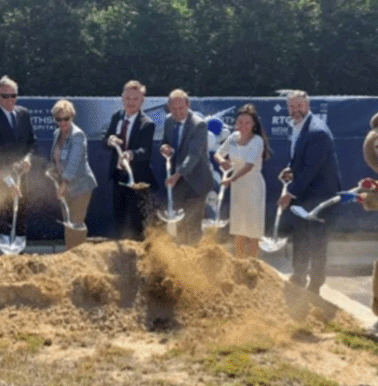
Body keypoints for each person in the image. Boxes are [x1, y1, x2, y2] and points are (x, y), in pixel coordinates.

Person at [277, 90, 341, 293]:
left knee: (317, 241)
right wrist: (290, 169)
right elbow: (301, 161)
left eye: (299, 106)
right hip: (305, 194)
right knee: (301, 236)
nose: (295, 110)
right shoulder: (300, 127)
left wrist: (290, 193)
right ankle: (298, 275)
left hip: (320, 196)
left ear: (308, 106)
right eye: (292, 107)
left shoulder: (317, 132)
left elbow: (311, 170)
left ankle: (315, 284)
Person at [0, 75, 37, 256]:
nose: (10, 100)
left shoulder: (23, 114)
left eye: (13, 95)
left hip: (21, 179)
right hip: (0, 182)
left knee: (19, 218)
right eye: (5, 96)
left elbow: (31, 143)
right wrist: (9, 182)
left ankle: (16, 263)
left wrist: (28, 159)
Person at [214, 104, 271, 258]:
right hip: (237, 187)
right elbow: (218, 153)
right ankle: (239, 264)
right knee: (238, 228)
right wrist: (222, 162)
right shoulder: (232, 138)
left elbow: (249, 165)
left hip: (253, 186)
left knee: (253, 229)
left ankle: (252, 266)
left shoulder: (257, 140)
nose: (243, 126)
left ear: (253, 125)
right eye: (240, 122)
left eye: (247, 123)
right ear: (236, 123)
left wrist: (230, 179)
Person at [159, 89, 214, 244]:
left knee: (193, 225)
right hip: (179, 184)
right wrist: (164, 147)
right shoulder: (169, 121)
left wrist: (177, 174)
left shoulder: (199, 125)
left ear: (188, 105)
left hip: (197, 182)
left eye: (181, 108)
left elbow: (194, 155)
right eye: (174, 109)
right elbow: (165, 141)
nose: (178, 112)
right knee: (180, 225)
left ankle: (195, 261)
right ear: (169, 108)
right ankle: (182, 259)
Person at [103, 80, 155, 240]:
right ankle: (121, 256)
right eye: (128, 98)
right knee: (119, 218)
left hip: (137, 181)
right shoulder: (116, 116)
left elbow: (145, 152)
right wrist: (109, 140)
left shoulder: (147, 124)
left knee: (137, 222)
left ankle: (139, 256)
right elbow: (105, 141)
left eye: (135, 99)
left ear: (142, 101)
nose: (131, 102)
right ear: (122, 98)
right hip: (118, 176)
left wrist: (131, 154)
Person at [50, 100, 97, 250]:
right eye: (59, 119)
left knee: (76, 224)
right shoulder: (57, 133)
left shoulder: (78, 135)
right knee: (68, 223)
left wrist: (64, 183)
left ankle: (79, 259)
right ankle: (69, 254)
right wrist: (53, 171)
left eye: (66, 118)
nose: (63, 122)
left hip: (81, 186)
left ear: (72, 117)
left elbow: (74, 162)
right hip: (66, 187)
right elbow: (57, 159)